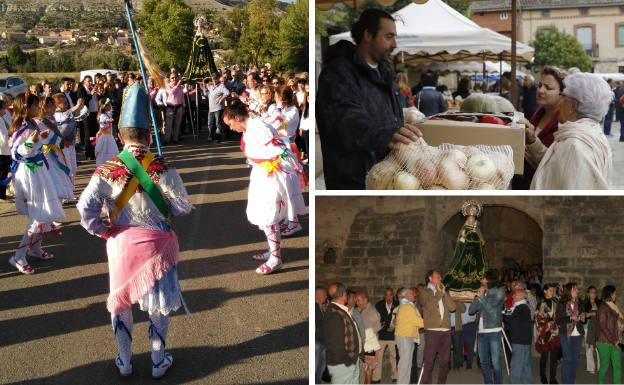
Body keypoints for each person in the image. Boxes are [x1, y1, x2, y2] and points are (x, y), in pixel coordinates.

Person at [76, 83, 193, 378]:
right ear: (150, 134)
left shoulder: (106, 169)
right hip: (158, 246)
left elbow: (84, 208)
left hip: (121, 242)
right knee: (156, 306)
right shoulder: (162, 166)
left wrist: (102, 230)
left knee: (121, 301)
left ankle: (125, 361)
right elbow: (183, 207)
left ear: (119, 136)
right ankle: (157, 361)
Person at [316, 8, 422, 189]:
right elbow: (344, 119)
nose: (395, 44)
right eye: (389, 37)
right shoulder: (339, 72)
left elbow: (385, 115)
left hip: (386, 175)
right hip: (353, 181)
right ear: (368, 35)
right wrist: (384, 135)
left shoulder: (385, 72)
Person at [222, 101, 305, 274]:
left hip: (272, 175)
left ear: (237, 118)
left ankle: (275, 259)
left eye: (230, 124)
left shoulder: (258, 128)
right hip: (264, 173)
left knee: (268, 216)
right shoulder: (252, 128)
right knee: (266, 216)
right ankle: (272, 251)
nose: (230, 128)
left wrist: (279, 165)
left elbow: (280, 149)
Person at [525, 69, 613, 189]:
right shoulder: (590, 133)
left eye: (563, 96)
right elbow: (554, 165)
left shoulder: (575, 146)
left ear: (572, 106)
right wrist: (533, 142)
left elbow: (571, 200)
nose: (560, 102)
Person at [6, 94, 64, 274]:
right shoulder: (21, 128)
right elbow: (16, 153)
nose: (38, 108)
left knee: (44, 213)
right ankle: (18, 255)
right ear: (26, 108)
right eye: (34, 105)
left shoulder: (32, 124)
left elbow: (36, 145)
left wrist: (42, 138)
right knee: (37, 216)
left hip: (39, 171)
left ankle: (35, 249)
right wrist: (31, 142)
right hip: (30, 174)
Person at [514, 66, 566, 189]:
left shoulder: (563, 123)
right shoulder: (540, 111)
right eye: (540, 85)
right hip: (525, 182)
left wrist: (531, 140)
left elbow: (555, 165)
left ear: (562, 94)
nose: (541, 90)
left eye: (548, 88)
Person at [419, 270, 456, 384]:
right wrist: (440, 293)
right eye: (438, 276)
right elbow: (429, 306)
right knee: (429, 361)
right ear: (430, 278)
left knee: (445, 362)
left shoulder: (444, 291)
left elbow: (452, 307)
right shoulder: (424, 291)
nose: (440, 278)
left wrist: (444, 293)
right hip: (432, 331)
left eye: (440, 276)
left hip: (446, 330)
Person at [469, 269, 505, 385]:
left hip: (494, 331)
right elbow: (471, 311)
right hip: (481, 331)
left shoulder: (499, 292)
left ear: (489, 279)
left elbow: (492, 310)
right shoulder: (482, 292)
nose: (481, 279)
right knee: (484, 362)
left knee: (495, 363)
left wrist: (482, 298)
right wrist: (478, 296)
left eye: (483, 277)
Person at [322, 282, 362, 384]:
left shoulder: (339, 310)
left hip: (350, 360)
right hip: (343, 364)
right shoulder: (335, 314)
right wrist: (347, 362)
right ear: (344, 294)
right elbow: (335, 344)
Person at [35, 96, 74, 202]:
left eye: (54, 106)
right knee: (51, 175)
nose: (53, 108)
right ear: (44, 107)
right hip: (47, 154)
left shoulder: (52, 119)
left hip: (56, 151)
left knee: (61, 172)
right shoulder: (39, 121)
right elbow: (39, 138)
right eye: (50, 106)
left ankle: (57, 199)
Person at [556, 282, 585, 384]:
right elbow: (558, 320)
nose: (577, 290)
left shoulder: (580, 302)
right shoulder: (561, 303)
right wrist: (570, 317)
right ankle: (566, 382)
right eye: (575, 289)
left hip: (578, 334)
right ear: (569, 291)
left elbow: (583, 318)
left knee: (575, 360)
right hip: (566, 334)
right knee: (567, 359)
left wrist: (582, 317)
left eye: (577, 289)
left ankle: (571, 381)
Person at [395, 287, 424, 385]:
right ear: (407, 295)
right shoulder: (407, 306)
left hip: (406, 337)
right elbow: (418, 321)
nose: (414, 295)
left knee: (407, 364)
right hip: (405, 337)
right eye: (412, 293)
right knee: (404, 364)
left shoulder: (405, 305)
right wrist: (430, 322)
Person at [504, 287, 533, 384]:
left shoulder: (521, 308)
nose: (512, 296)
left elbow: (512, 320)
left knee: (516, 366)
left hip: (520, 341)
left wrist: (504, 315)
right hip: (524, 341)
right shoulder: (520, 307)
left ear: (520, 296)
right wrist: (502, 310)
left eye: (515, 294)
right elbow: (508, 312)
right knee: (525, 365)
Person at [53, 93, 83, 185]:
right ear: (57, 105)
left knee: (74, 169)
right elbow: (65, 115)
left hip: (71, 145)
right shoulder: (56, 115)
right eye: (64, 103)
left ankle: (69, 189)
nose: (67, 104)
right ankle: (68, 192)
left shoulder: (68, 114)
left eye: (67, 102)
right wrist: (77, 106)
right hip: (62, 146)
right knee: (68, 170)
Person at [596, 285, 623, 384]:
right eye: (615, 293)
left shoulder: (615, 307)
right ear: (610, 294)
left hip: (617, 340)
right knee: (604, 366)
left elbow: (619, 323)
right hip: (605, 342)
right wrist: (613, 341)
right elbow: (603, 327)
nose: (616, 295)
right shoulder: (603, 308)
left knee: (617, 366)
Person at [356, 290, 382, 384]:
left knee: (369, 368)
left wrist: (367, 333)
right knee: (365, 367)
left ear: (365, 300)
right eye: (356, 300)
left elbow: (378, 328)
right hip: (363, 344)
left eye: (359, 300)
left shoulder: (372, 312)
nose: (357, 303)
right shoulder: (359, 310)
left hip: (370, 344)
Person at [374, 288, 398, 383]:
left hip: (393, 335)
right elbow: (376, 318)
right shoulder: (379, 304)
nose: (389, 297)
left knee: (394, 356)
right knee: (378, 357)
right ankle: (376, 377)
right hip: (382, 334)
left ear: (393, 295)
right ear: (384, 295)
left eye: (390, 295)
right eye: (387, 295)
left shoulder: (397, 304)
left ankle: (394, 375)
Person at [77, 75, 99, 160]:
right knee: (88, 134)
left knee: (94, 134)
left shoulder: (93, 88)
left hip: (94, 113)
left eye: (91, 81)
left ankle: (94, 152)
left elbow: (96, 100)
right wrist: (91, 94)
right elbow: (83, 102)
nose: (90, 83)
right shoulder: (81, 90)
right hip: (86, 114)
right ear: (84, 81)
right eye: (88, 81)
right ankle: (88, 153)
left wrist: (98, 94)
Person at [204, 73, 230, 143]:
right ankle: (210, 136)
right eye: (213, 79)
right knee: (210, 123)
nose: (214, 80)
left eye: (215, 79)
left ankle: (217, 138)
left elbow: (227, 93)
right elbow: (206, 94)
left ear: (218, 78)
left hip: (218, 108)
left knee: (218, 123)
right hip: (211, 108)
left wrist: (222, 98)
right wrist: (204, 88)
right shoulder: (210, 86)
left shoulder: (221, 86)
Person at [95, 99, 118, 167]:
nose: (110, 106)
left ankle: (111, 164)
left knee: (112, 151)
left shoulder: (107, 114)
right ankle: (104, 164)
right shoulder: (102, 116)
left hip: (109, 136)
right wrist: (108, 121)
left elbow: (111, 113)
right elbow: (104, 121)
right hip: (105, 137)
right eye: (109, 105)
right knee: (105, 151)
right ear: (104, 107)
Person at [164, 72, 186, 144]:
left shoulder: (180, 87)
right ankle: (167, 139)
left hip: (179, 106)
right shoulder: (168, 86)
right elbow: (171, 92)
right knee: (169, 125)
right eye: (172, 78)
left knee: (177, 124)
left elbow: (182, 97)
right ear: (170, 79)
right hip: (170, 107)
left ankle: (175, 139)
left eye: (175, 77)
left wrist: (184, 106)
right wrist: (177, 85)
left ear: (177, 78)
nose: (174, 79)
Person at [583, 286, 601, 375]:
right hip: (587, 328)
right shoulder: (584, 303)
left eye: (594, 292)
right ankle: (591, 367)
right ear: (588, 293)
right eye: (591, 292)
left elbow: (603, 314)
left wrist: (592, 313)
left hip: (598, 328)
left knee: (598, 348)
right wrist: (588, 314)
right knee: (589, 348)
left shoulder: (600, 303)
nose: (593, 294)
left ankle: (600, 367)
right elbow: (584, 315)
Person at [316, 286, 328, 385]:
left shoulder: (321, 307)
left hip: (323, 342)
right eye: (324, 294)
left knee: (321, 367)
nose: (326, 296)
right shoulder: (315, 307)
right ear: (318, 295)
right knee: (316, 367)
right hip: (317, 341)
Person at [450, 297, 466, 372]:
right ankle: (447, 366)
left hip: (456, 328)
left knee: (457, 348)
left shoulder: (458, 300)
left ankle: (456, 366)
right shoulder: (444, 299)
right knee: (446, 349)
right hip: (447, 328)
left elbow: (463, 309)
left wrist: (458, 300)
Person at [0, 96, 10, 200]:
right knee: (2, 173)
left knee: (3, 173)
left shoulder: (2, 119)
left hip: (4, 150)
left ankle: (2, 194)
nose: (5, 110)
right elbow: (3, 136)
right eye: (3, 108)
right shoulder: (0, 120)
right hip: (3, 151)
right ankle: (1, 195)